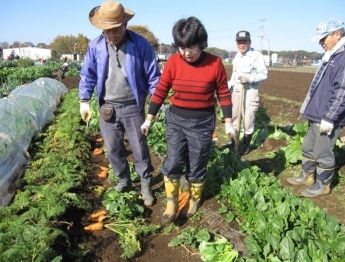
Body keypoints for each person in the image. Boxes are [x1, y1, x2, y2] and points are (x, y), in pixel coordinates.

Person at [140, 16, 235, 223]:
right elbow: (161, 90)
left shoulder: (215, 63)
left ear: (201, 43)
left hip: (202, 122)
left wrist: (228, 123)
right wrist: (149, 119)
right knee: (173, 161)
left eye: (191, 47)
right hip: (176, 119)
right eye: (182, 47)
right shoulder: (174, 61)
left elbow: (224, 94)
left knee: (197, 163)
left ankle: (194, 198)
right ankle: (172, 200)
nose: (186, 53)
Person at [78, 1, 161, 206]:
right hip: (108, 106)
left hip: (133, 106)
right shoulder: (95, 46)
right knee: (113, 148)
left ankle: (145, 184)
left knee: (139, 148)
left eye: (116, 30)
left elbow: (153, 76)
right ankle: (124, 179)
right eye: (107, 31)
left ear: (125, 25)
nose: (112, 36)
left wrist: (156, 102)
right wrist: (84, 100)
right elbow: (87, 74)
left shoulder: (140, 44)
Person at [287, 19, 345, 198]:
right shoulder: (332, 54)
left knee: (323, 151)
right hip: (317, 113)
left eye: (324, 38)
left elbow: (343, 90)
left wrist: (330, 118)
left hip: (327, 116)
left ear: (337, 34)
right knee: (308, 147)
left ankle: (323, 185)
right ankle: (306, 176)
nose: (322, 43)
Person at [227, 31, 268, 155]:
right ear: (236, 43)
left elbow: (264, 74)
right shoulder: (237, 56)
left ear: (249, 42)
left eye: (244, 42)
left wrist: (249, 78)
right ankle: (234, 143)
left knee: (248, 119)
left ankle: (245, 145)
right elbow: (234, 75)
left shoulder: (256, 56)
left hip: (250, 92)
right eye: (239, 42)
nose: (242, 45)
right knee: (234, 117)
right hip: (236, 91)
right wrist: (228, 87)